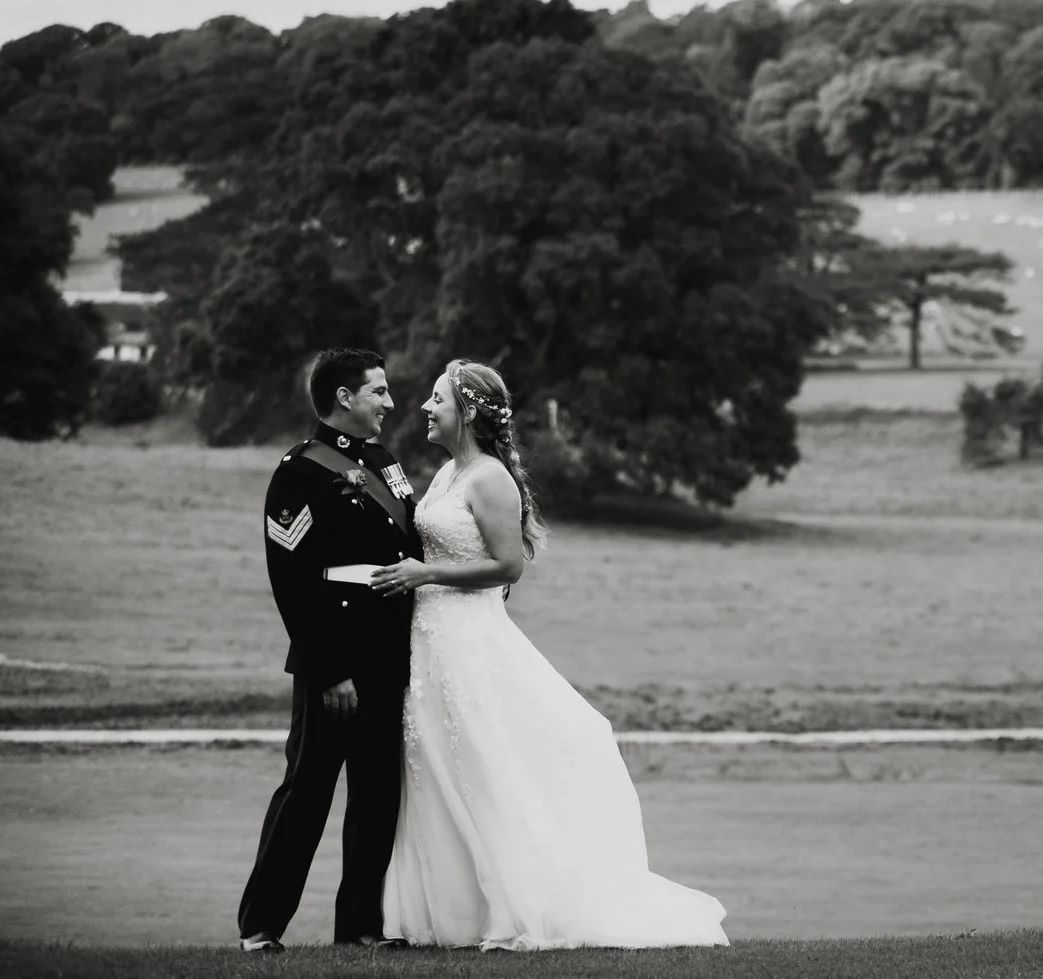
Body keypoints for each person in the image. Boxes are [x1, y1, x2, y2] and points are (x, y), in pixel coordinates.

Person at [371, 359, 728, 949]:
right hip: (431, 640)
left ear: (467, 412)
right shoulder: (443, 476)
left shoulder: (489, 479)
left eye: (437, 400)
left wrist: (423, 574)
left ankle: (519, 901)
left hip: (469, 640)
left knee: (483, 766)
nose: (425, 409)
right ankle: (447, 914)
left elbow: (509, 566)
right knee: (434, 765)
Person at [236, 348, 422, 953]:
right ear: (345, 397)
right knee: (307, 792)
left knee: (375, 794)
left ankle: (361, 928)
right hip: (335, 660)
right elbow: (290, 580)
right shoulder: (299, 471)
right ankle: (261, 927)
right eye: (379, 391)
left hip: (388, 656)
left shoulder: (384, 462)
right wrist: (330, 669)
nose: (389, 403)